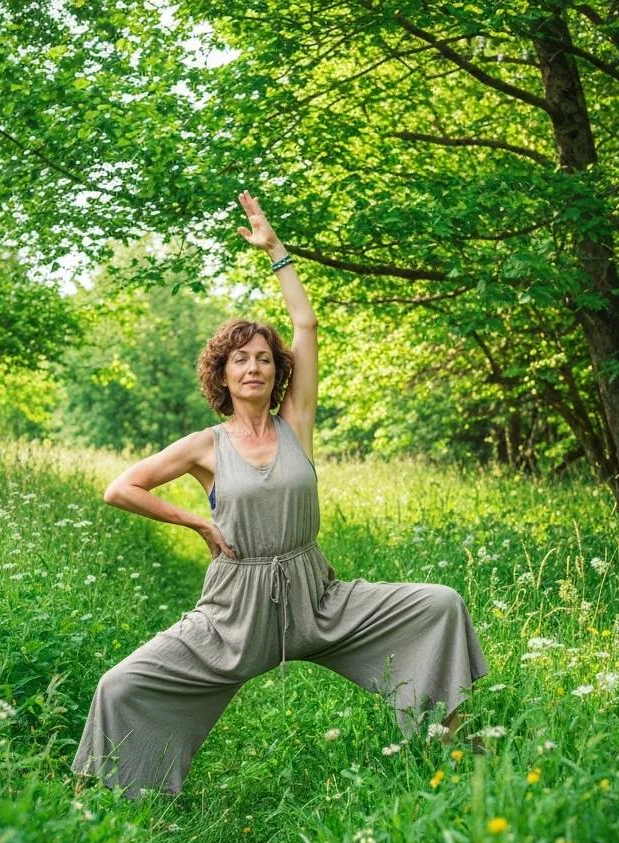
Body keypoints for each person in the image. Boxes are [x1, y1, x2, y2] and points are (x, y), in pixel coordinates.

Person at [70, 190, 488, 800]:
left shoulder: (297, 425)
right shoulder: (205, 446)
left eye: (263, 359)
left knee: (439, 605)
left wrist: (277, 252)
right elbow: (120, 488)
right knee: (121, 684)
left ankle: (462, 753)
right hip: (234, 611)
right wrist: (195, 523)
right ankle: (107, 803)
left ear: (276, 372)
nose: (253, 368)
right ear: (222, 374)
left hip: (316, 599)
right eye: (240, 360)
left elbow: (306, 324)